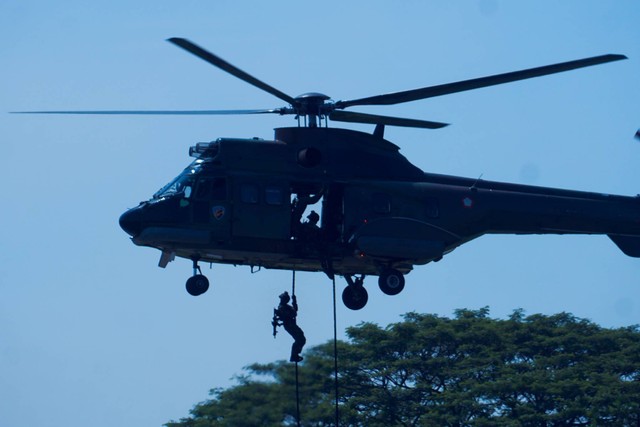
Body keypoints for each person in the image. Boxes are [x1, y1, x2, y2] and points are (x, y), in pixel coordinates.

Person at [272, 291, 306, 362]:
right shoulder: (282, 307)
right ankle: (294, 355)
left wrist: (294, 301)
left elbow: (295, 311)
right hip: (289, 325)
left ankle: (295, 354)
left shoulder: (285, 306)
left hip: (291, 324)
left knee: (301, 339)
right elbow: (293, 313)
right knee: (300, 339)